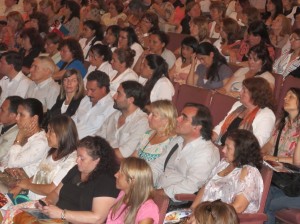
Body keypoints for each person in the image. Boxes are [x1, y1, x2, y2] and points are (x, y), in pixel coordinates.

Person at [32, 136, 119, 223]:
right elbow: (56, 193)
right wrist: (48, 202)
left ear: (97, 160)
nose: (77, 160)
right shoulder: (76, 170)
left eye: (82, 158)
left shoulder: (107, 181)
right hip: (58, 219)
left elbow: (98, 218)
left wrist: (62, 214)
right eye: (77, 156)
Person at [150, 103, 220, 203]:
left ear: (197, 127)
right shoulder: (178, 140)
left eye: (184, 118)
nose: (177, 119)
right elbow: (157, 165)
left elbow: (192, 186)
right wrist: (143, 184)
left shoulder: (206, 152)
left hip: (176, 202)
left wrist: (156, 193)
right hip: (158, 192)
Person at [7, 115, 78, 202]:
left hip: (44, 203)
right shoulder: (52, 150)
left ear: (61, 134)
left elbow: (51, 189)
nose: (46, 135)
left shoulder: (71, 160)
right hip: (30, 195)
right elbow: (39, 173)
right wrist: (20, 186)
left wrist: (27, 185)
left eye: (50, 131)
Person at [190, 129, 263, 214]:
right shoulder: (224, 164)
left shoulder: (249, 172)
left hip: (220, 218)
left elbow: (238, 207)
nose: (223, 150)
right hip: (203, 214)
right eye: (224, 146)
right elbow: (205, 187)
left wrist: (205, 216)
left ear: (241, 151)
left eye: (228, 148)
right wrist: (192, 210)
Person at [262, 88, 300, 224]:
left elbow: (297, 162)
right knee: (262, 193)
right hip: (277, 173)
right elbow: (269, 144)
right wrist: (261, 153)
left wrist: (274, 158)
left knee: (266, 200)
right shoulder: (281, 123)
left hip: (292, 176)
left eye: (291, 97)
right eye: (285, 95)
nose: (285, 98)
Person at [0, 98, 49, 189]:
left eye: (21, 115)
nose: (17, 118)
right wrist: (6, 168)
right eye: (17, 113)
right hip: (6, 177)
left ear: (34, 118)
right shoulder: (25, 133)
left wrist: (18, 139)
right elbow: (5, 160)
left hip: (20, 187)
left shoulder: (41, 142)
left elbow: (12, 163)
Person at [213, 77, 276, 147]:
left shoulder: (266, 115)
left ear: (254, 95)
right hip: (222, 147)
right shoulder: (238, 105)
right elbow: (220, 127)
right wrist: (209, 137)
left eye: (244, 90)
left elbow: (257, 144)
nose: (240, 92)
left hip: (241, 154)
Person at [97, 81, 149, 162]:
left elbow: (124, 153)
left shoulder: (142, 122)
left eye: (119, 93)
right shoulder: (114, 115)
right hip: (102, 159)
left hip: (119, 166)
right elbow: (97, 139)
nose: (114, 97)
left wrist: (99, 152)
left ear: (130, 100)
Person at [106, 157, 159, 224]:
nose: (115, 175)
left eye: (121, 173)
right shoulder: (123, 194)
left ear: (133, 181)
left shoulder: (148, 208)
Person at [72, 71, 116, 139]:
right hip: (69, 138)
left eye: (92, 90)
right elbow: (74, 118)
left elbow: (105, 136)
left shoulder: (111, 108)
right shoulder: (85, 99)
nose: (88, 94)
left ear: (103, 89)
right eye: (87, 89)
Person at [0, 96, 23, 161]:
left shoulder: (16, 134)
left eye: (2, 110)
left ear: (12, 115)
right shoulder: (3, 124)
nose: (0, 112)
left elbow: (1, 154)